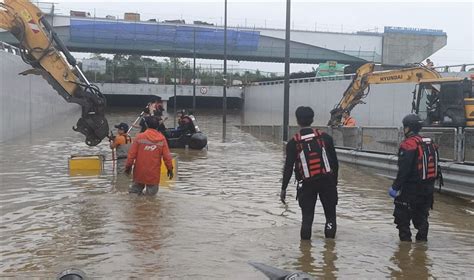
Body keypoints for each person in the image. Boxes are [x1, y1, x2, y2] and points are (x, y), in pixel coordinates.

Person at [280, 106, 339, 240]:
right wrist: (334, 184)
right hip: (327, 182)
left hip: (306, 184)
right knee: (330, 217)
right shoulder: (325, 138)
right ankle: (330, 254)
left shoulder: (293, 143)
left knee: (307, 219)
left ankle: (305, 255)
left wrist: (283, 189)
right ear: (312, 119)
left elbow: (288, 168)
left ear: (297, 120)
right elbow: (335, 163)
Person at [388, 114, 440, 242]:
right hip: (427, 189)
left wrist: (395, 187)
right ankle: (421, 250)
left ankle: (404, 253)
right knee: (422, 219)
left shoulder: (408, 144)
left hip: (410, 190)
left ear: (408, 128)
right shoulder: (429, 143)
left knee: (402, 219)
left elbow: (404, 170)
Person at [125, 116, 174, 196]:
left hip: (139, 172)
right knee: (151, 198)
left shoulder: (139, 137)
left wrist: (128, 167)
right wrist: (170, 169)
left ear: (146, 125)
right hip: (153, 173)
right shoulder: (162, 139)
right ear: (158, 125)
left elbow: (131, 155)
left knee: (133, 194)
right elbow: (167, 157)